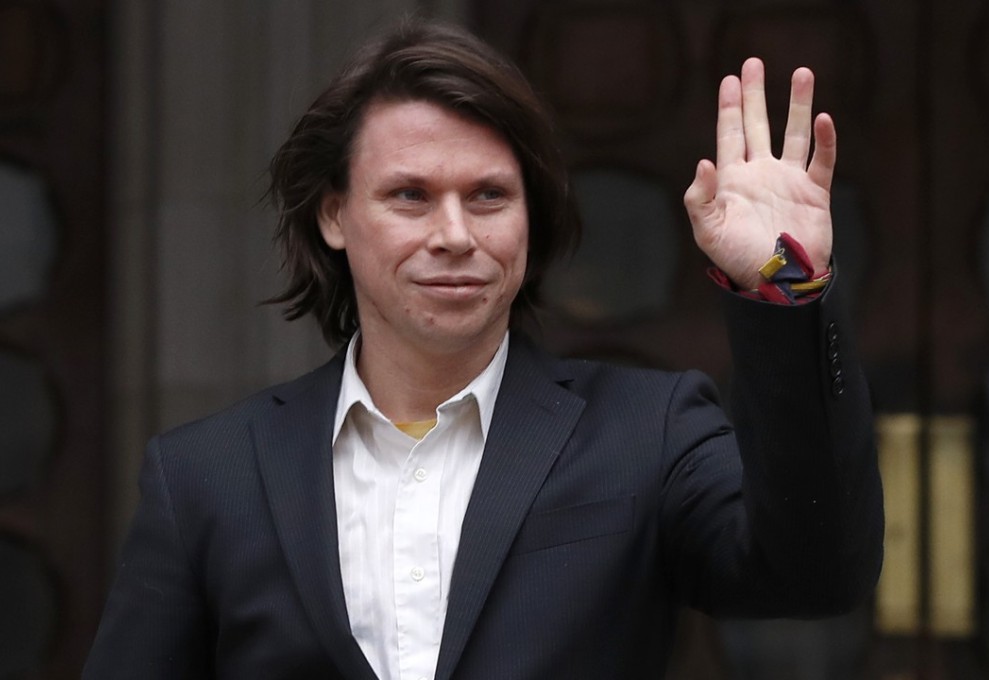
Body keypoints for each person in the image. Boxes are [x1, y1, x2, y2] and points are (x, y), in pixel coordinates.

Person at [83, 18, 883, 680]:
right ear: (333, 216)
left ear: (530, 218)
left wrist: (787, 285)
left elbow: (816, 573)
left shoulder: (649, 429)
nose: (456, 235)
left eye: (489, 196)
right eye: (410, 196)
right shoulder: (204, 476)